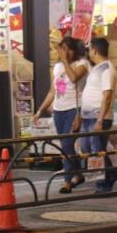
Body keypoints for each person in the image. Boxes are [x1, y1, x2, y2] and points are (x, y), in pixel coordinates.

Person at [33, 36, 89, 193]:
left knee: (66, 145)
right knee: (66, 146)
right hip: (59, 110)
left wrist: (65, 61)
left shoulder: (82, 64)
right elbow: (54, 90)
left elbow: (74, 77)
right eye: (62, 48)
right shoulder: (57, 67)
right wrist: (40, 110)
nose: (64, 52)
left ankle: (67, 181)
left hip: (74, 109)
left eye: (68, 48)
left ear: (74, 50)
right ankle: (78, 174)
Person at [78, 38, 117, 193]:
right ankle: (113, 172)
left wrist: (100, 119)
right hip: (88, 116)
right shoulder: (97, 68)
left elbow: (107, 95)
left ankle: (103, 186)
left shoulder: (106, 69)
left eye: (90, 49)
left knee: (97, 150)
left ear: (94, 50)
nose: (89, 52)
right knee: (87, 147)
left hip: (98, 116)